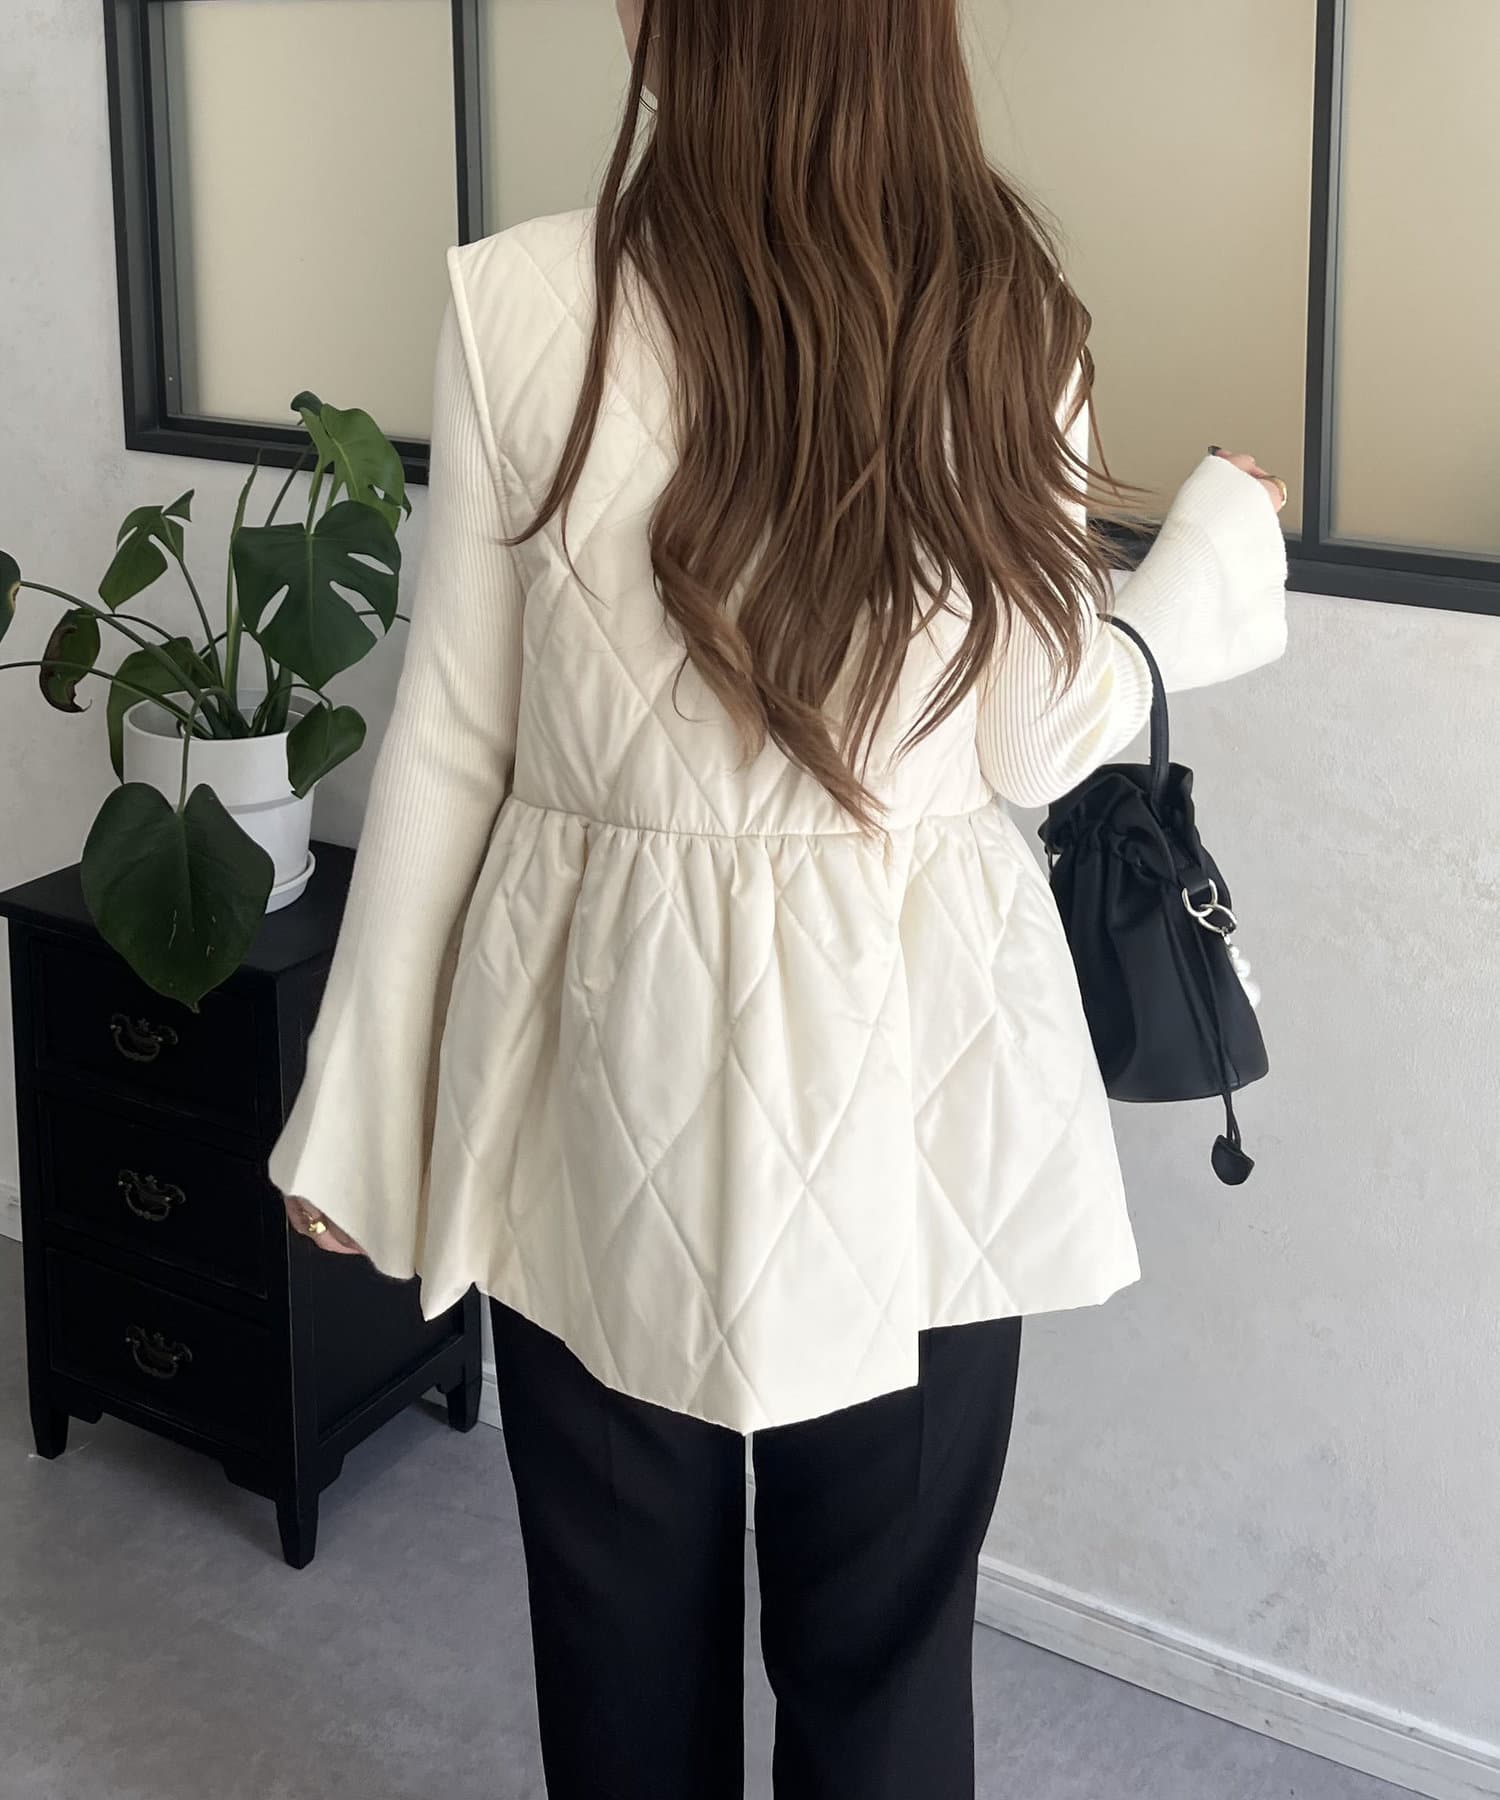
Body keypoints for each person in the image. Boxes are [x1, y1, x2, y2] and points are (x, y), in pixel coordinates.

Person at [270, 1, 1288, 1793]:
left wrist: (362, 1123)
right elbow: (1032, 740)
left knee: (619, 1662)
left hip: (603, 1055)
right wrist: (1201, 574)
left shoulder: (521, 301)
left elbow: (451, 737)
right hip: (926, 1075)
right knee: (883, 1664)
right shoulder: (1008, 312)